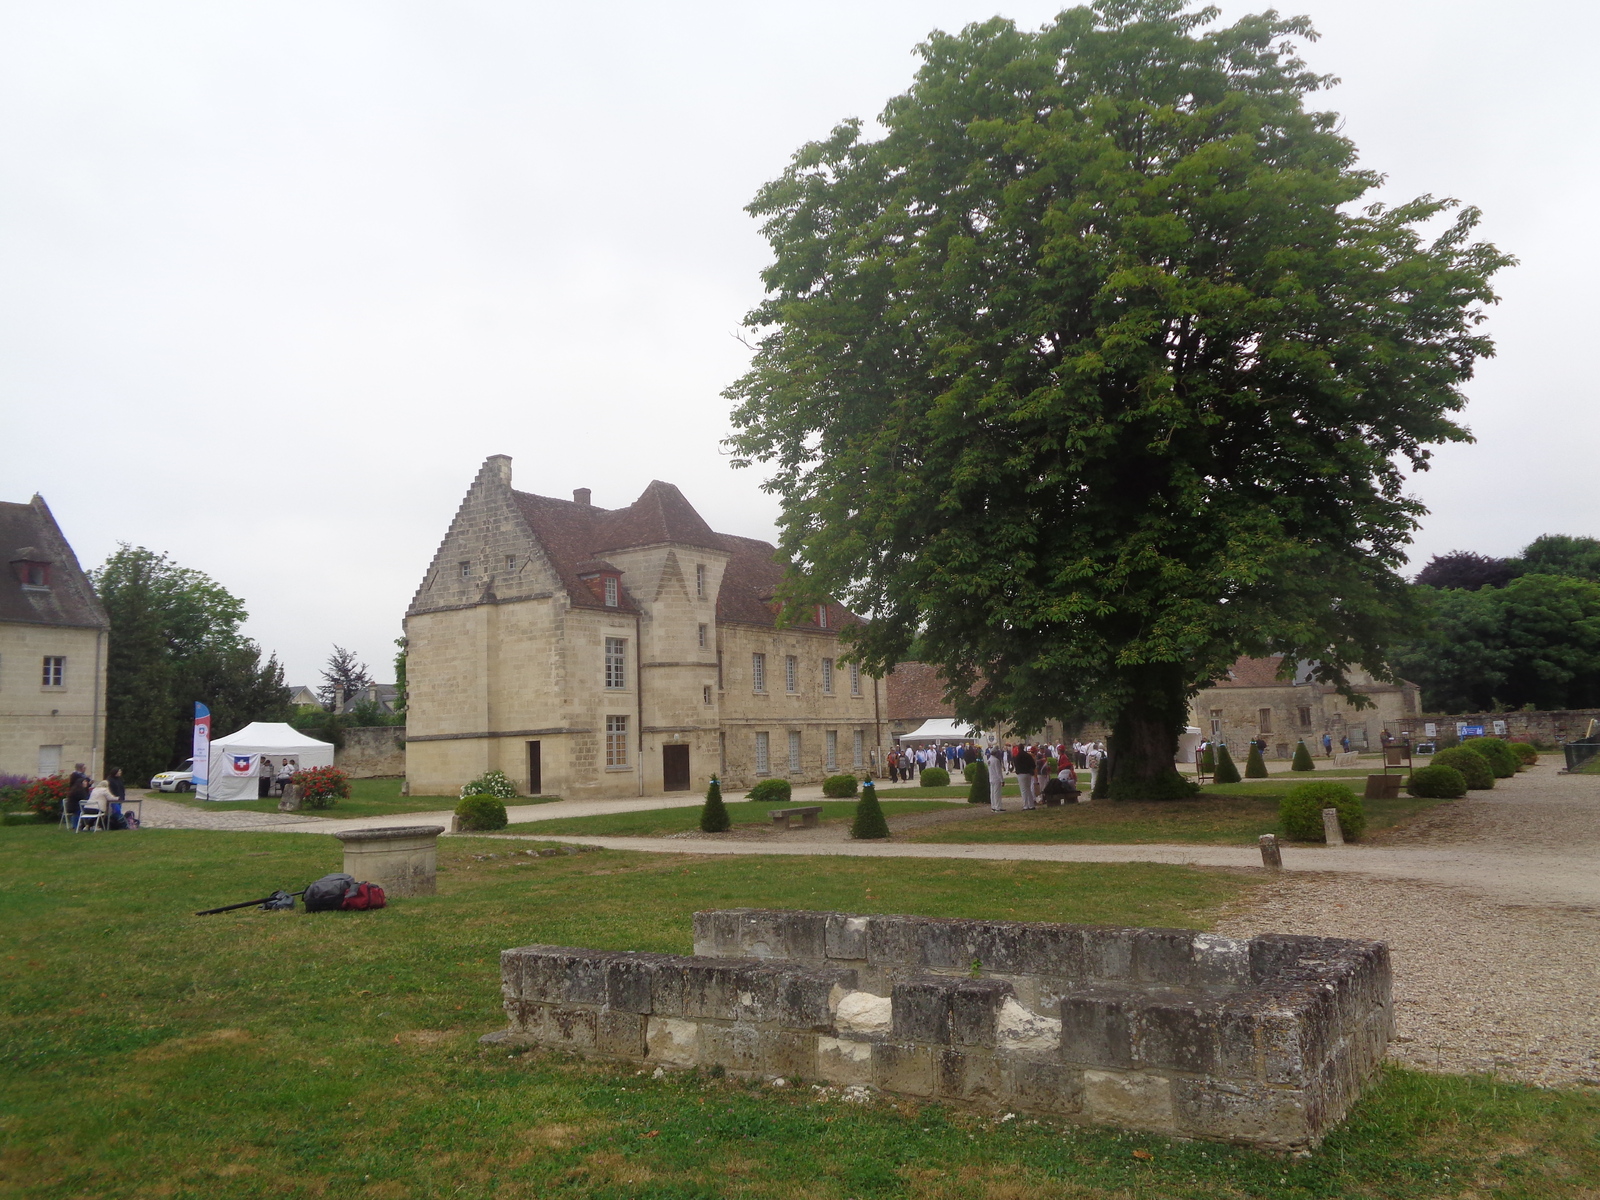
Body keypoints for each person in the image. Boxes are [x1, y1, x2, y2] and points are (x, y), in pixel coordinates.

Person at [1014, 744, 1038, 810]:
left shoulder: (1017, 756)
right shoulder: (1028, 756)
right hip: (1028, 773)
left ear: (1018, 749)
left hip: (1021, 774)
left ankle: (1025, 805)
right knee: (1028, 789)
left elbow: (1016, 765)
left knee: (1023, 790)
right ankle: (1031, 805)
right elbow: (1033, 765)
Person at [985, 741, 1006, 812]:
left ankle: (993, 806)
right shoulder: (996, 760)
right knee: (997, 793)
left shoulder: (989, 760)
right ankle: (997, 807)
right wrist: (1002, 780)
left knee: (992, 793)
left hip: (991, 778)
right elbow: (998, 772)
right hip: (996, 779)